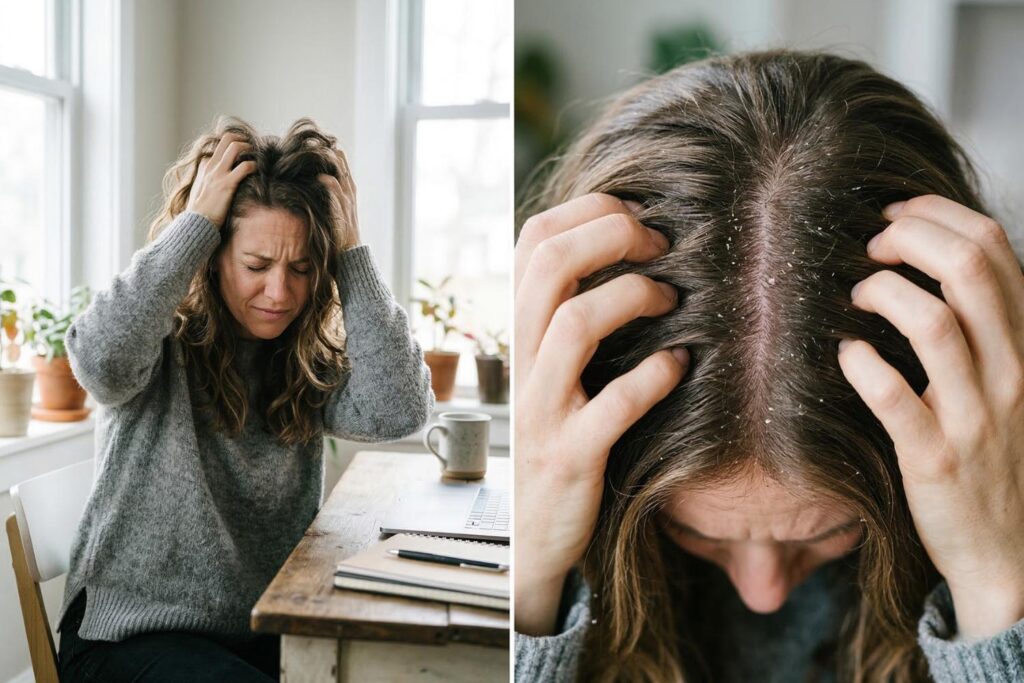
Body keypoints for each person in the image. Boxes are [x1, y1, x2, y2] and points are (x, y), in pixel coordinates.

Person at [514, 50, 1024, 682]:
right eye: (696, 532)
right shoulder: (551, 502)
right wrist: (529, 574)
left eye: (826, 531)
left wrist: (994, 584)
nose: (764, 594)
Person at [55, 116, 435, 682]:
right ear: (211, 256)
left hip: (255, 634)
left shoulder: (301, 360)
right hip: (127, 633)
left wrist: (352, 252)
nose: (279, 293)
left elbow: (397, 409)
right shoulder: (159, 344)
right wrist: (194, 224)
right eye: (256, 266)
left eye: (302, 269)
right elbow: (101, 361)